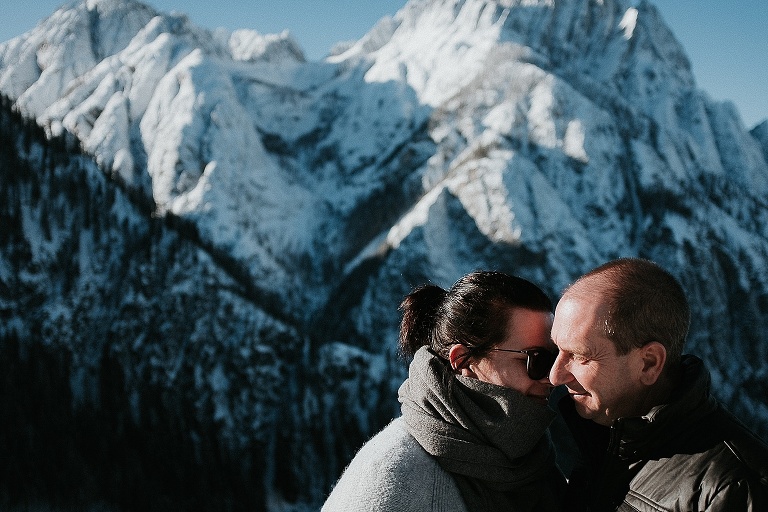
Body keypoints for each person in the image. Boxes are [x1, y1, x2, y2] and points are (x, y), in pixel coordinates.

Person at [322, 270, 565, 512]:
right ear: (462, 361)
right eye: (537, 360)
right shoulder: (394, 478)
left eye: (558, 358)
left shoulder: (536, 462)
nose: (554, 376)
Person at [549, 257, 768, 511]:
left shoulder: (735, 488)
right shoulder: (604, 440)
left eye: (580, 356)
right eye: (557, 349)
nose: (555, 375)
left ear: (649, 364)